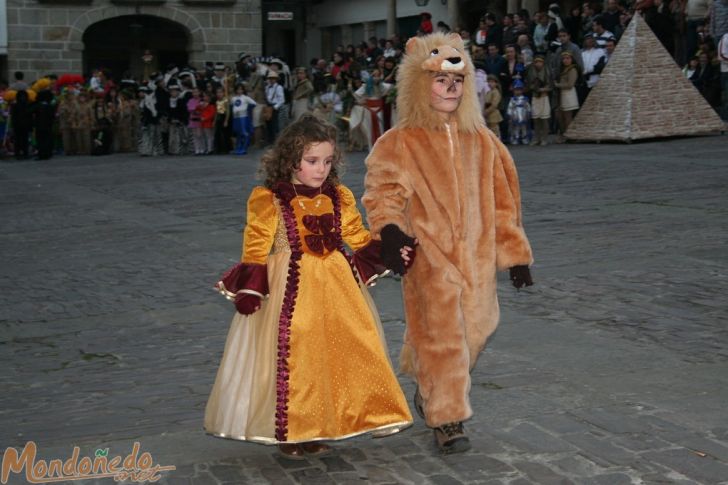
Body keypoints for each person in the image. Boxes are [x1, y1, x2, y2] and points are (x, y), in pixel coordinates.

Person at [363, 32, 534, 454]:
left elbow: (503, 203)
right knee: (443, 337)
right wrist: (389, 230)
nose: (450, 88)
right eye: (439, 80)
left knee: (477, 330)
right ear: (420, 86)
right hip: (428, 258)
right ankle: (447, 417)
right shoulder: (399, 142)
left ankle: (430, 380)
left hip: (476, 259)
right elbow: (382, 192)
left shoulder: (484, 142)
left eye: (457, 81)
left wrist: (514, 254)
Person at [204, 114, 413, 459]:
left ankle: (326, 423)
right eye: (312, 161)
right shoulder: (270, 198)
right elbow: (256, 244)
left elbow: (357, 237)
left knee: (341, 350)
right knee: (298, 353)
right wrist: (252, 286)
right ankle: (294, 429)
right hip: (292, 286)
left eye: (327, 161)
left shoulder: (339, 195)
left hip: (337, 284)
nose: (320, 168)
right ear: (290, 160)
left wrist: (390, 245)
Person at [526, 54, 553, 145]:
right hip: (535, 96)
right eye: (536, 62)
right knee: (536, 118)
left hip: (544, 96)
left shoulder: (547, 71)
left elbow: (550, 85)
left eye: (540, 62)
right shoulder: (531, 72)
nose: (538, 64)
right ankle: (537, 137)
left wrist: (544, 89)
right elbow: (528, 84)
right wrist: (534, 87)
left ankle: (544, 138)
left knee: (544, 118)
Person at [554, 51, 580, 142]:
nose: (565, 60)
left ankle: (569, 135)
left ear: (572, 59)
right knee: (561, 115)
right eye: (564, 59)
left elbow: (570, 84)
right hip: (563, 94)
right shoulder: (563, 69)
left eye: (567, 58)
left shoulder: (573, 69)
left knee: (568, 116)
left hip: (569, 94)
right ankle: (564, 133)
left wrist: (557, 85)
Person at [230, 83, 256, 154]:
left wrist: (247, 110)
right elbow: (231, 105)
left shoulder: (245, 98)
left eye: (241, 89)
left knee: (244, 133)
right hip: (236, 117)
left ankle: (244, 148)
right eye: (238, 89)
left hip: (243, 117)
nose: (239, 91)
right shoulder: (233, 98)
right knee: (238, 133)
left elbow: (254, 103)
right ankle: (238, 147)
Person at [507, 79, 532, 145]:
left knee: (524, 127)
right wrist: (509, 115)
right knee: (516, 128)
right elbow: (510, 107)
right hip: (516, 115)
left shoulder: (525, 99)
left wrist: (529, 112)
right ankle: (516, 138)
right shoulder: (512, 99)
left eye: (519, 89)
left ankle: (524, 138)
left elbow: (528, 106)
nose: (518, 91)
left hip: (523, 114)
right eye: (516, 90)